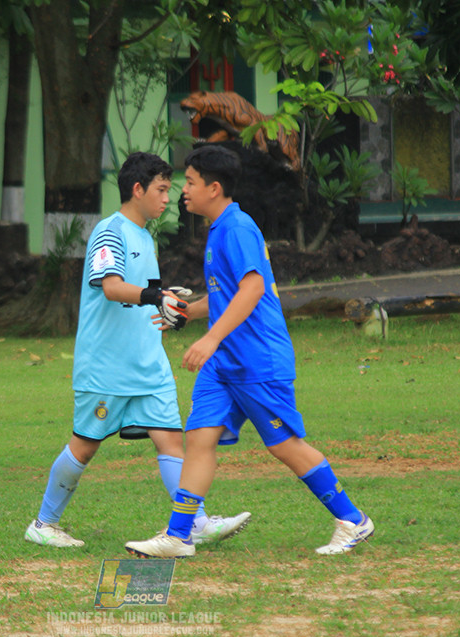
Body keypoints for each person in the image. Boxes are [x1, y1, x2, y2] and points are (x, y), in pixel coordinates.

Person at [124, 145, 374, 559]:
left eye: (189, 182)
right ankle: (179, 534)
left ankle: (352, 519)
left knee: (284, 446)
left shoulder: (237, 228)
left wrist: (209, 339)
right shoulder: (219, 228)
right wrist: (186, 312)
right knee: (200, 438)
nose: (182, 191)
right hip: (225, 365)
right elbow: (227, 296)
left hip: (258, 361)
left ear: (214, 188)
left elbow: (253, 288)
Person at [25, 151, 251, 549]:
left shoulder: (145, 236)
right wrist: (154, 294)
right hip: (107, 366)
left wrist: (166, 305)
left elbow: (144, 300)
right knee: (85, 444)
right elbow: (111, 287)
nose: (168, 199)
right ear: (137, 189)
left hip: (148, 364)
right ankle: (44, 524)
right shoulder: (110, 231)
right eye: (162, 190)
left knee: (170, 439)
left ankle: (193, 521)